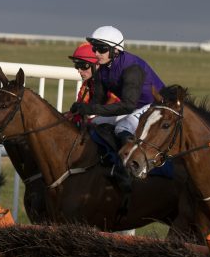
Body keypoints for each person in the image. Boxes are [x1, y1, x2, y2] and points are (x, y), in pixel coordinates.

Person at [68, 26, 166, 189]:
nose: (96, 53)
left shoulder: (132, 68)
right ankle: (107, 161)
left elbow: (127, 106)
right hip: (136, 106)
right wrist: (81, 109)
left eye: (101, 49)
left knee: (123, 126)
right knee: (96, 122)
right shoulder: (102, 69)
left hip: (156, 106)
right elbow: (97, 103)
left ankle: (128, 171)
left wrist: (91, 109)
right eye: (95, 49)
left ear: (115, 50)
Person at [67, 42, 118, 126]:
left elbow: (111, 109)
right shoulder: (88, 83)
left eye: (83, 65)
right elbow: (82, 104)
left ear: (98, 64)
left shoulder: (112, 81)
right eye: (77, 66)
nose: (79, 70)